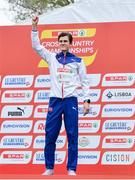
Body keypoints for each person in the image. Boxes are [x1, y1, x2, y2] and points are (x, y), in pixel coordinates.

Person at [31, 16, 90, 176]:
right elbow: (36, 46)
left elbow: (85, 82)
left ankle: (71, 169)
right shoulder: (52, 58)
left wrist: (86, 101)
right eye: (61, 41)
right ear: (59, 43)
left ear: (70, 43)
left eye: (66, 41)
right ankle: (49, 168)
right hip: (55, 101)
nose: (63, 43)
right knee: (50, 134)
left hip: (71, 100)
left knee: (72, 135)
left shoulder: (78, 60)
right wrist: (34, 28)